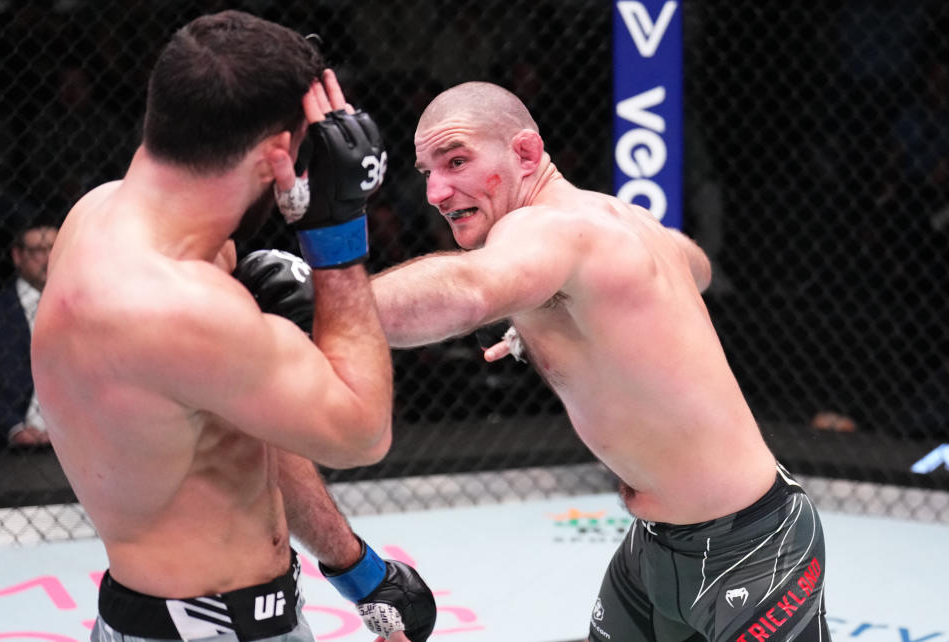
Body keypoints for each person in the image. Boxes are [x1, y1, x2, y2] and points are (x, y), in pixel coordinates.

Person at [327, 82, 831, 640]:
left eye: (457, 160)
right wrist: (567, 317)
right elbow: (697, 265)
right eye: (427, 172)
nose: (437, 192)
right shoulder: (612, 219)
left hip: (753, 550)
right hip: (654, 547)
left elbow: (469, 292)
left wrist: (317, 299)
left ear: (523, 153)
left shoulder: (543, 227)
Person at [31, 11, 433, 642]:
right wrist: (336, 230)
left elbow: (239, 435)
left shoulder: (98, 216)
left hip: (178, 614)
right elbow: (361, 434)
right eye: (308, 143)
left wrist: (355, 568)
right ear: (279, 155)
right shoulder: (187, 313)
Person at [0, 221, 57, 447]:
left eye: (56, 250)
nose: (49, 258)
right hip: (8, 448)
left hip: (79, 439)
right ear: (18, 256)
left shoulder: (87, 308)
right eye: (39, 250)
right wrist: (14, 428)